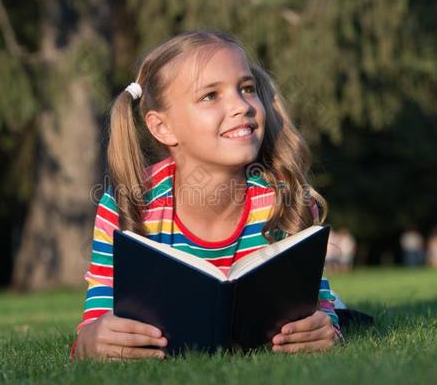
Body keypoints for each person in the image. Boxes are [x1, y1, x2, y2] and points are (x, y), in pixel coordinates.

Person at [71, 30, 343, 362]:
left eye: (246, 89)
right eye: (210, 96)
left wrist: (324, 328)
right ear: (162, 128)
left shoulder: (286, 201)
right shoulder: (127, 203)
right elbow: (94, 321)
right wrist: (93, 340)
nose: (241, 106)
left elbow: (320, 310)